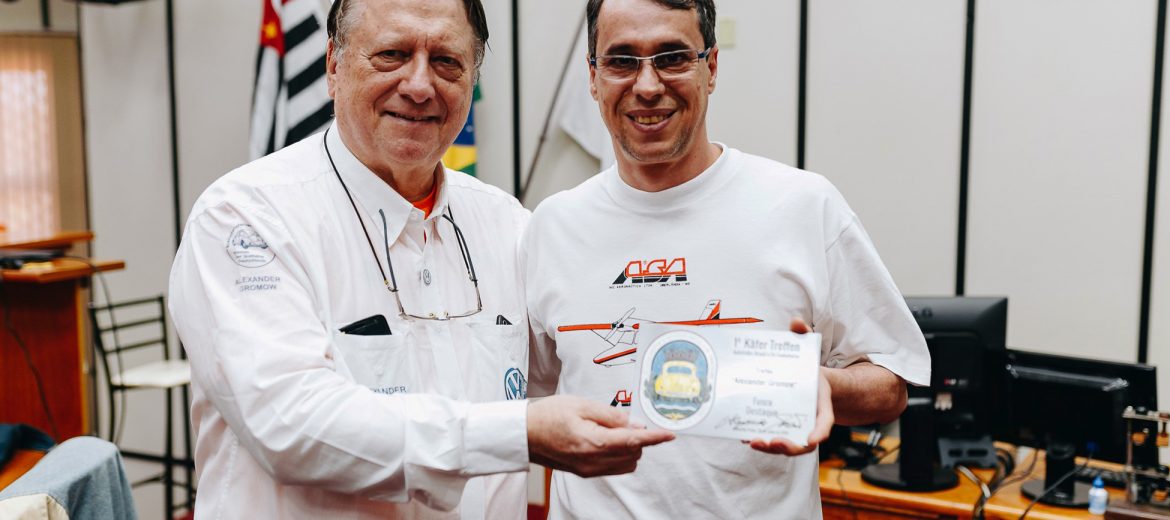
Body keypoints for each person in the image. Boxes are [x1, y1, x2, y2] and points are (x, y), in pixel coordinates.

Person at [168, 0, 672, 518]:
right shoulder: (247, 219)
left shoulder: (507, 225)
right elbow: (292, 425)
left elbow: (594, 360)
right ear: (333, 66)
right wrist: (516, 434)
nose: (419, 85)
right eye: (392, 54)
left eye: (447, 62)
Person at [521, 0, 932, 517]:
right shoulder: (551, 225)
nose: (647, 86)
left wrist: (821, 384)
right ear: (593, 76)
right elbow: (520, 396)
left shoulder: (803, 206)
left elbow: (892, 382)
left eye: (672, 57)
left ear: (711, 67)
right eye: (621, 61)